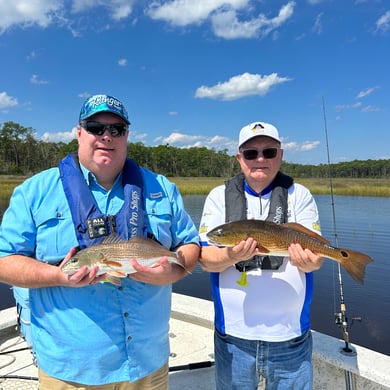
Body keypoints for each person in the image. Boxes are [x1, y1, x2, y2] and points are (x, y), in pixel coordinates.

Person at [0, 94, 200, 389]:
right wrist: (58, 276)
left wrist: (175, 269)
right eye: (96, 127)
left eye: (116, 130)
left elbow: (189, 245)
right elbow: (4, 263)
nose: (106, 136)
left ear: (126, 136)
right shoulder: (34, 192)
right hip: (71, 371)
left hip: (148, 364)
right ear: (79, 132)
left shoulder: (162, 188)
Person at [198, 121, 324, 390]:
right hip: (232, 337)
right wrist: (231, 255)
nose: (260, 159)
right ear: (239, 158)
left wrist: (312, 261)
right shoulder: (218, 196)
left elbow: (316, 259)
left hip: (291, 338)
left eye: (268, 152)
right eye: (250, 153)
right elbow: (206, 258)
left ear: (280, 155)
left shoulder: (299, 195)